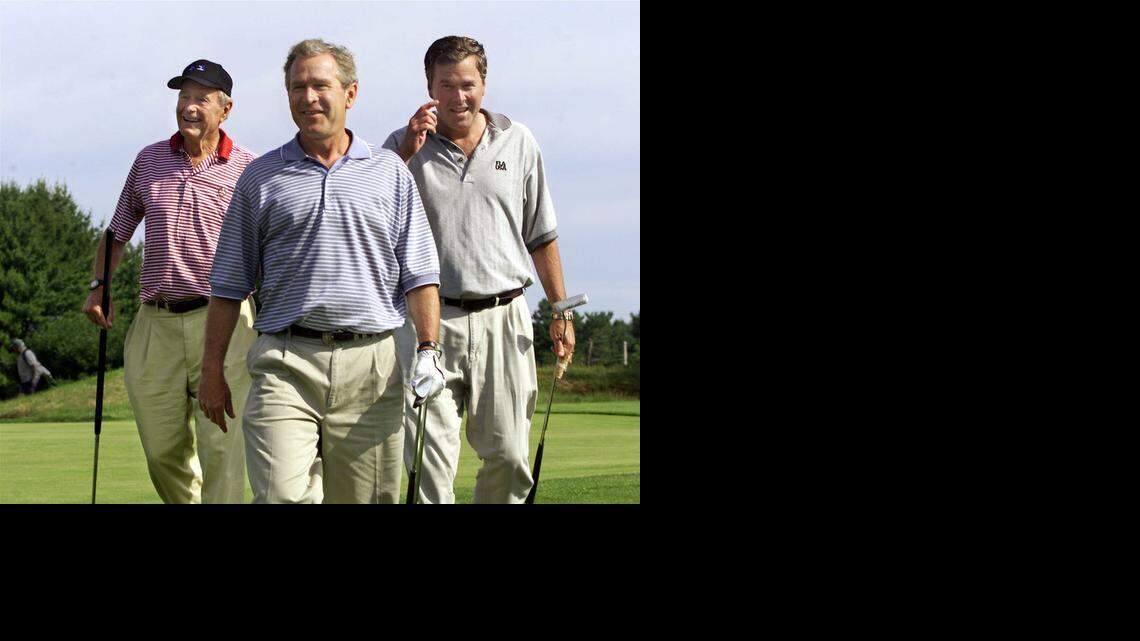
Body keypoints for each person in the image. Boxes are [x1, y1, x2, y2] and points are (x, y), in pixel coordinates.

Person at [198, 38, 444, 504]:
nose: (308, 97)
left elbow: (419, 273)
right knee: (280, 497)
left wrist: (428, 349)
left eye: (320, 86)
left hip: (372, 366)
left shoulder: (390, 172)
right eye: (297, 87)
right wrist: (212, 369)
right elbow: (229, 284)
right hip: (285, 361)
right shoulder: (260, 177)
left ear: (350, 94)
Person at [383, 36, 577, 504]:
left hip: (505, 318)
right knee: (429, 464)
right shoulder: (403, 146)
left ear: (484, 85)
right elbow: (374, 215)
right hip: (428, 323)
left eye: (467, 84)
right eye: (445, 85)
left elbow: (541, 235)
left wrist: (561, 310)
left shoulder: (518, 140)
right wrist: (405, 152)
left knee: (509, 458)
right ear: (429, 87)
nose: (458, 96)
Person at [82, 59, 258, 504]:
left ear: (226, 109)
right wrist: (99, 286)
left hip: (224, 319)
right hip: (155, 322)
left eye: (201, 98)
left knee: (223, 449)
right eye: (184, 97)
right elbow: (117, 233)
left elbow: (267, 249)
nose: (189, 107)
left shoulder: (248, 168)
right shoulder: (149, 160)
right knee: (162, 451)